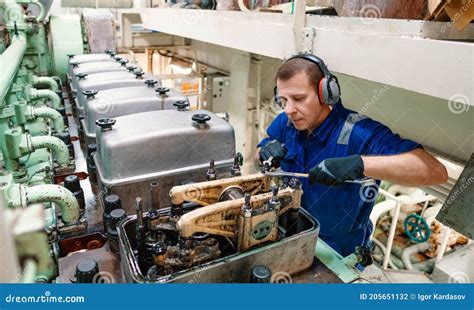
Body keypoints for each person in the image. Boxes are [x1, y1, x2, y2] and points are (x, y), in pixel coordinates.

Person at [258, 54, 448, 256]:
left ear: (326, 93)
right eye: (283, 100)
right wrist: (266, 150)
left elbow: (435, 171)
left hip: (337, 252)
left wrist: (360, 164)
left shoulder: (359, 133)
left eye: (298, 99)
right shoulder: (287, 123)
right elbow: (258, 153)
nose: (289, 110)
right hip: (290, 236)